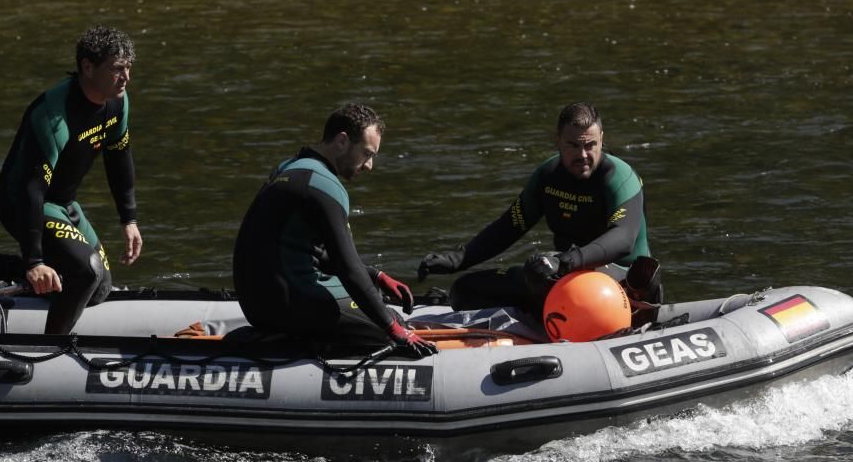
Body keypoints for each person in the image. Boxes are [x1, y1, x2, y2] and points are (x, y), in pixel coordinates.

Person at [232, 103, 437, 357]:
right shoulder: (326, 187)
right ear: (342, 141)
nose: (369, 165)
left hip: (256, 305)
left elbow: (304, 251)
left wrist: (376, 276)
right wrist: (394, 328)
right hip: (289, 304)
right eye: (367, 153)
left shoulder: (289, 168)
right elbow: (348, 269)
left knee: (373, 308)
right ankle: (300, 349)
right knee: (389, 319)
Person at [418, 101, 660, 314]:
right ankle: (535, 325)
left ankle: (551, 319)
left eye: (590, 145)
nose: (583, 155)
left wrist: (564, 262)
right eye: (573, 145)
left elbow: (623, 238)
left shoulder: (620, 178)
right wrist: (456, 259)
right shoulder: (548, 176)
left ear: (602, 140)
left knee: (541, 268)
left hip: (623, 286)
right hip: (567, 277)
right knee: (465, 289)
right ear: (557, 141)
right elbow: (511, 226)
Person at [0, 25, 143, 334]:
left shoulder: (117, 101)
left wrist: (129, 219)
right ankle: (50, 346)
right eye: (117, 69)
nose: (125, 78)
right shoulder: (53, 114)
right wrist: (34, 261)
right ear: (87, 66)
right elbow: (32, 188)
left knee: (98, 288)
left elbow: (119, 156)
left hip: (63, 203)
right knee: (86, 273)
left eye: (128, 68)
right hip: (24, 202)